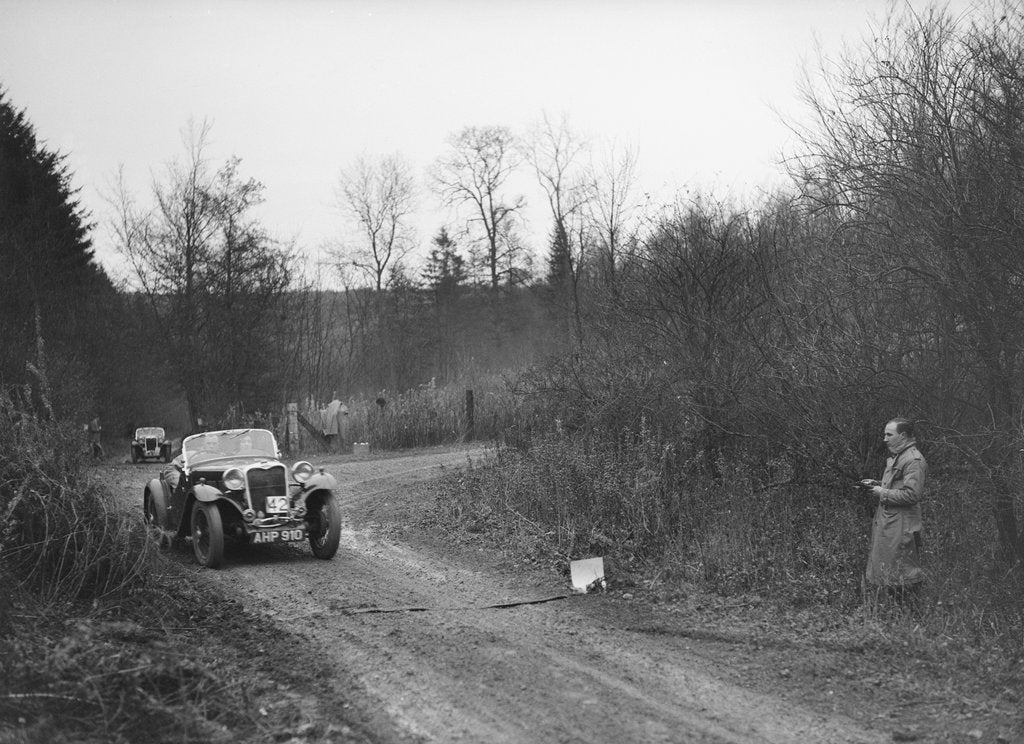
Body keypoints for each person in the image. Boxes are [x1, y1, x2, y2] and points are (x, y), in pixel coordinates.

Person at [862, 418, 927, 602]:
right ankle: (896, 617)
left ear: (903, 436)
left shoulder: (913, 460)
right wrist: (877, 485)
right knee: (891, 575)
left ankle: (910, 618)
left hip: (902, 528)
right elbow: (898, 487)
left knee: (903, 576)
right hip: (892, 526)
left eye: (889, 435)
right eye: (884, 434)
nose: (885, 439)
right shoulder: (901, 456)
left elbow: (912, 495)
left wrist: (882, 492)